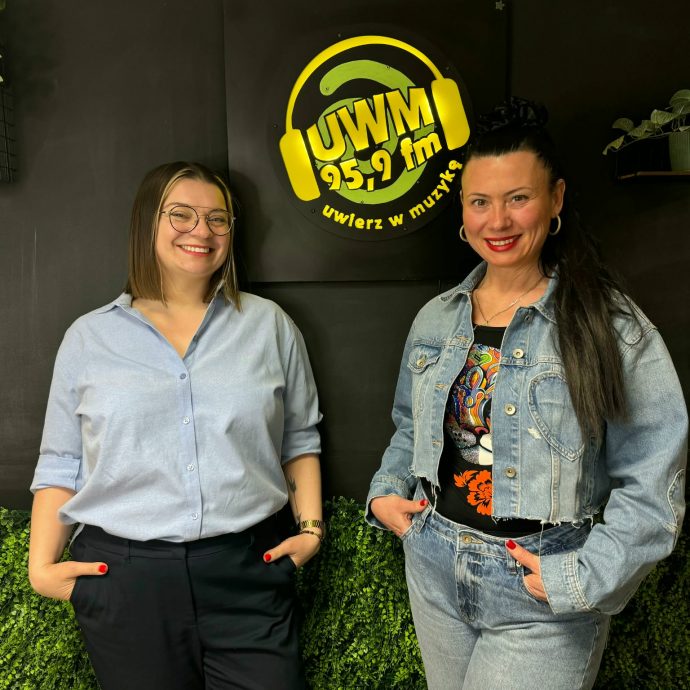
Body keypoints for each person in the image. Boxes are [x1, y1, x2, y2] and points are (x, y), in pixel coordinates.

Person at [366, 99, 687, 689]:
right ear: (463, 210)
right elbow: (410, 425)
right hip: (434, 565)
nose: (498, 221)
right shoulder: (437, 318)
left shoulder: (609, 326)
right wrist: (388, 491)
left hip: (541, 588)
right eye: (480, 202)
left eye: (518, 198)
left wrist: (582, 576)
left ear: (556, 199)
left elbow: (653, 476)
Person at [28, 161, 323, 690]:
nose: (201, 231)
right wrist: (41, 568)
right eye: (181, 214)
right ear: (148, 223)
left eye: (217, 218)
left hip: (246, 571)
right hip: (126, 579)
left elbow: (299, 438)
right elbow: (62, 461)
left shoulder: (269, 326)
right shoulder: (89, 338)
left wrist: (311, 530)